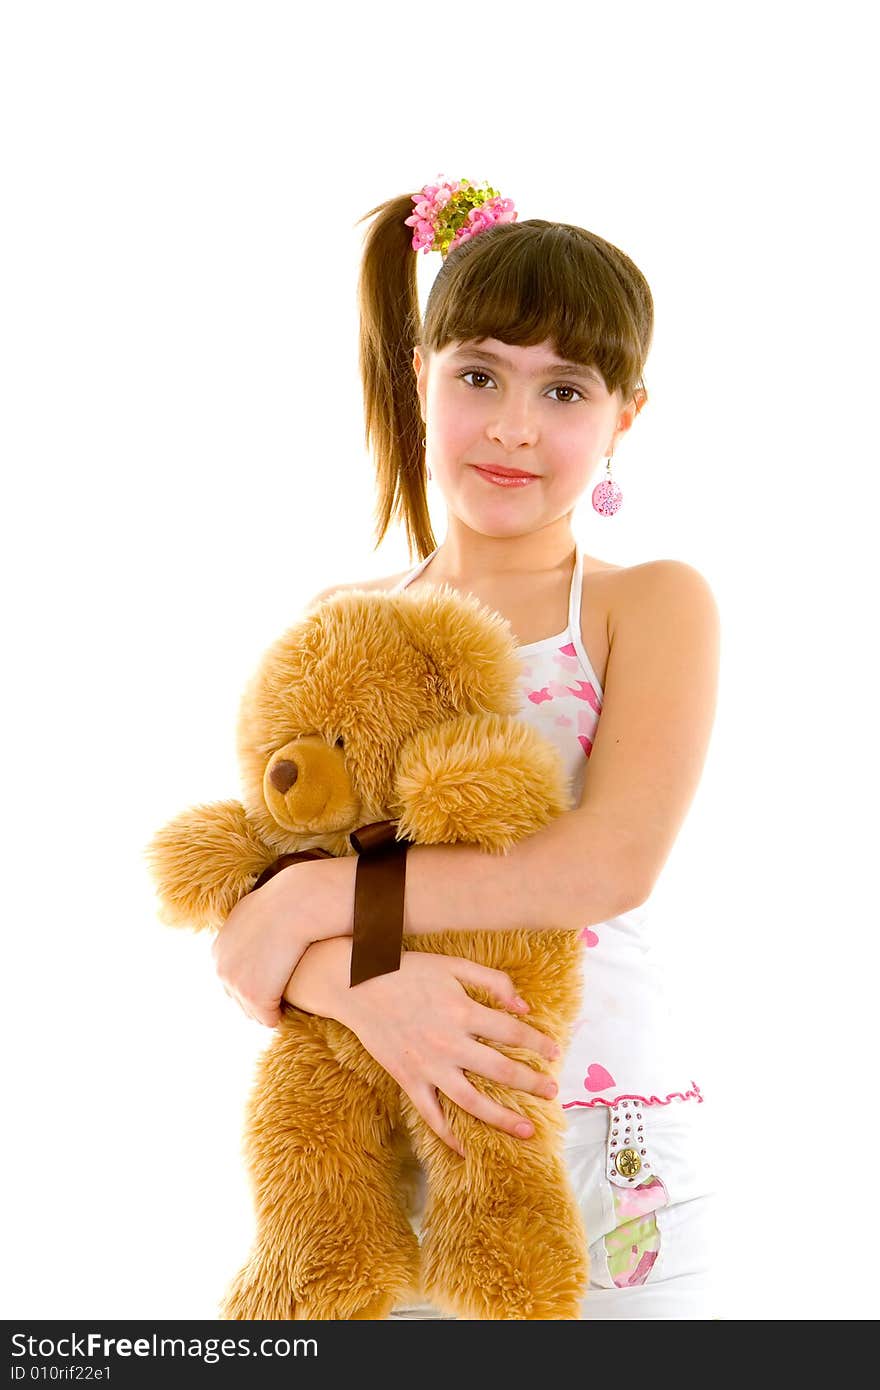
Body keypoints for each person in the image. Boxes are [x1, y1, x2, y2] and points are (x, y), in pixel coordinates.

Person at [212, 177, 722, 1320]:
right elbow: (246, 943)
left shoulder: (644, 605)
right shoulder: (341, 624)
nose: (513, 425)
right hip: (383, 1150)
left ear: (622, 417)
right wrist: (357, 976)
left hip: (598, 1146)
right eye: (480, 374)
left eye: (564, 389)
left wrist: (321, 906)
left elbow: (603, 865)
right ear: (421, 378)